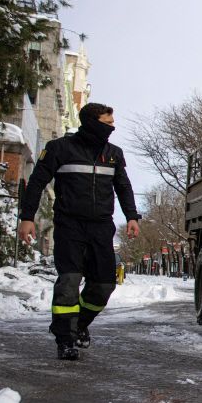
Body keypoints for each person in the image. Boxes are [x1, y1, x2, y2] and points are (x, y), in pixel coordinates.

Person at [18, 102, 141, 360]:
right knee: (69, 282)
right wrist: (27, 217)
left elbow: (124, 186)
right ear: (91, 122)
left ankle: (79, 324)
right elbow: (37, 183)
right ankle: (65, 338)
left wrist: (132, 217)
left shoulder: (114, 154)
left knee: (104, 285)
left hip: (100, 227)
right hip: (69, 225)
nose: (112, 128)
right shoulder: (59, 149)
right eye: (107, 123)